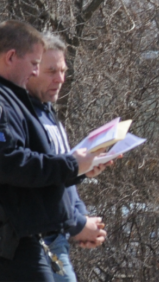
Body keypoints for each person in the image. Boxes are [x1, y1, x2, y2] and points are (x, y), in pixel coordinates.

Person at [0, 20, 99, 281]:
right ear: (11, 57)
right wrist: (71, 166)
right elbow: (8, 161)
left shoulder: (16, 99)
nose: (35, 72)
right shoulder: (5, 100)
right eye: (36, 64)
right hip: (14, 241)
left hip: (27, 237)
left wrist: (79, 169)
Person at [26, 32, 110, 282]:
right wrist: (77, 224)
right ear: (31, 70)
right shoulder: (22, 118)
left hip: (57, 238)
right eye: (51, 71)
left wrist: (83, 170)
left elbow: (61, 180)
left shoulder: (48, 113)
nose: (60, 79)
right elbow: (33, 180)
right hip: (38, 243)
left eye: (63, 70)